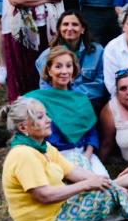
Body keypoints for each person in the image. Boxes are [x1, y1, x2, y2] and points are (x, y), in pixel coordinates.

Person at [1, 97, 128, 221]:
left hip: (56, 208)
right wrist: (88, 185)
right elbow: (44, 196)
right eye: (40, 117)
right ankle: (127, 203)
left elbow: (72, 170)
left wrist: (109, 184)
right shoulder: (24, 155)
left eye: (46, 114)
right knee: (101, 192)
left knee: (79, 160)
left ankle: (121, 200)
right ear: (23, 128)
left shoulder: (42, 146)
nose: (49, 120)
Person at [29, 47, 109, 176]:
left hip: (84, 154)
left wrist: (86, 158)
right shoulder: (38, 100)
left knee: (104, 182)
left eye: (68, 66)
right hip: (55, 157)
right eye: (58, 66)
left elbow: (91, 133)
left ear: (74, 70)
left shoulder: (81, 99)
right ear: (49, 70)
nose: (64, 71)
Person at [37, 12, 107, 108]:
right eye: (65, 24)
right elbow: (45, 86)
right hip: (58, 103)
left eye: (74, 24)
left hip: (89, 101)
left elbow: (101, 83)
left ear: (82, 29)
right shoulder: (46, 56)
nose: (69, 28)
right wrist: (63, 98)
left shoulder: (98, 51)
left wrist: (73, 95)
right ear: (59, 29)